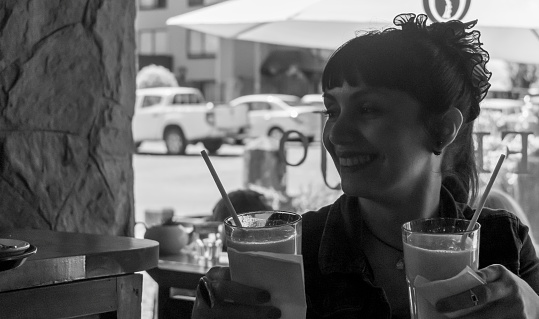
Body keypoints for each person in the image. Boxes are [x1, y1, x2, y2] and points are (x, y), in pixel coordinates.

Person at [191, 13, 539, 318]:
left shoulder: (502, 242)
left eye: (368, 108)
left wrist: (533, 306)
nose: (336, 133)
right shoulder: (298, 251)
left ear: (443, 128)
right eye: (332, 110)